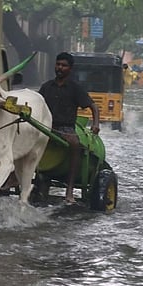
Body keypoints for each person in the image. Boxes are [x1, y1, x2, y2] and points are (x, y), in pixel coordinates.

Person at [39, 52, 100, 204]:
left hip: (66, 129)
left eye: (64, 65)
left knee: (75, 145)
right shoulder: (46, 87)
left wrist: (96, 124)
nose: (60, 68)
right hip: (46, 127)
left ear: (70, 69)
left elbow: (93, 106)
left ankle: (70, 189)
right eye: (58, 64)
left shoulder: (75, 88)